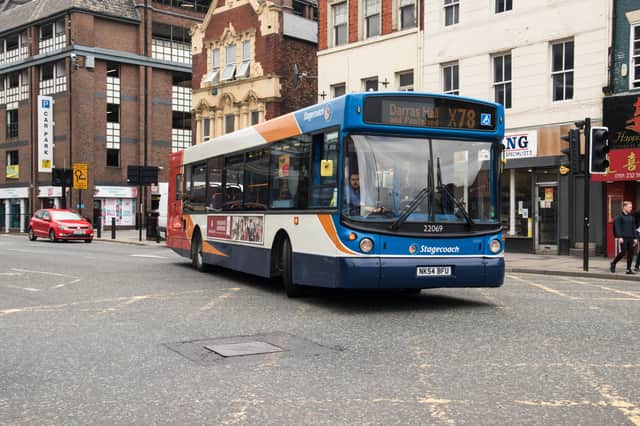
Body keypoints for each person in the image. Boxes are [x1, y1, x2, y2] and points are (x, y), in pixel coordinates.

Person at [611, 201, 637, 274]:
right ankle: (613, 263)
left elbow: (633, 227)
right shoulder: (619, 217)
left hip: (631, 237)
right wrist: (619, 237)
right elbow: (617, 227)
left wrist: (635, 238)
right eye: (629, 207)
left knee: (631, 253)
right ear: (624, 207)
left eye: (631, 207)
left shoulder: (631, 217)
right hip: (623, 238)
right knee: (623, 252)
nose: (631, 209)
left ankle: (628, 269)